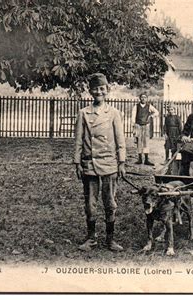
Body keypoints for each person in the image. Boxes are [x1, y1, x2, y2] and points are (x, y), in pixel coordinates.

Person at [74, 73, 126, 252]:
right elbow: (79, 141)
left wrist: (122, 162)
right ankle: (91, 238)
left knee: (110, 202)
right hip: (89, 164)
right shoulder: (83, 113)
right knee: (90, 203)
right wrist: (77, 162)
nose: (99, 92)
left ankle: (110, 240)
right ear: (90, 91)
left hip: (109, 164)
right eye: (95, 89)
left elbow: (120, 141)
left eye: (102, 88)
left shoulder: (113, 113)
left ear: (108, 90)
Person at [131, 93, 159, 166]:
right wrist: (133, 125)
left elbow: (157, 112)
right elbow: (133, 117)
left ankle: (146, 159)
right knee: (139, 142)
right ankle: (140, 159)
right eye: (142, 97)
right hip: (138, 125)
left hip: (146, 125)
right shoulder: (136, 106)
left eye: (145, 97)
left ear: (147, 98)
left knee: (146, 142)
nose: (143, 99)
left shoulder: (149, 106)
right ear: (140, 98)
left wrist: (151, 116)